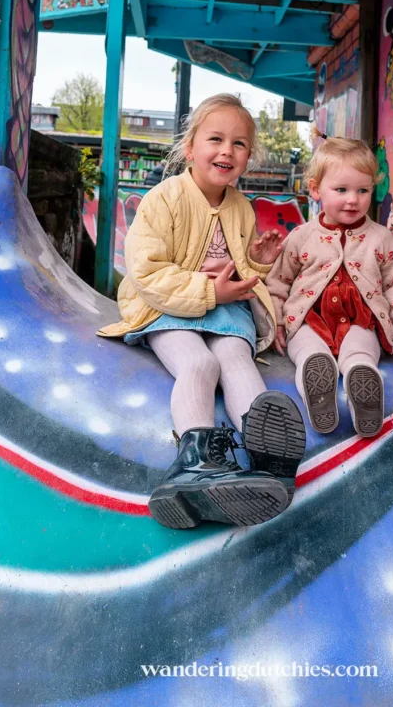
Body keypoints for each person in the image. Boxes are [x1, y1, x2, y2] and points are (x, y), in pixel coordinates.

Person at [98, 94, 305, 530]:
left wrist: (258, 263)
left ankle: (266, 455)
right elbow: (147, 272)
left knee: (236, 358)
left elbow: (237, 272)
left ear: (248, 158)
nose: (227, 150)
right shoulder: (163, 199)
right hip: (167, 308)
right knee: (200, 362)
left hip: (224, 311)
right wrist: (210, 290)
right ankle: (194, 463)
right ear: (190, 148)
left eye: (240, 144)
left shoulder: (242, 207)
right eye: (215, 139)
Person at [267, 135, 393, 437]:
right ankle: (316, 382)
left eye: (363, 190)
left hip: (362, 319)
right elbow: (278, 282)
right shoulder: (301, 237)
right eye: (341, 190)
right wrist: (277, 322)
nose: (352, 199)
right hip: (308, 318)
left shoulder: (381, 238)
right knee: (306, 348)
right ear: (316, 189)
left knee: (361, 348)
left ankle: (363, 383)